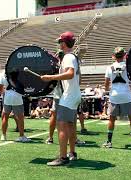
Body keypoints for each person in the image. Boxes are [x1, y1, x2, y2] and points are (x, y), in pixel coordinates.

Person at [42, 32, 81, 166]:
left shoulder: (68, 57)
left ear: (63, 44)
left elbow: (70, 74)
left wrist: (50, 77)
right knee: (70, 125)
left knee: (62, 125)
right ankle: (72, 153)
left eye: (60, 42)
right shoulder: (73, 56)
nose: (59, 44)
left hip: (69, 95)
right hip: (74, 94)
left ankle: (63, 157)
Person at [103, 47, 131, 149]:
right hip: (126, 95)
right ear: (124, 56)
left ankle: (109, 142)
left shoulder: (109, 67)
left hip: (114, 95)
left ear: (113, 56)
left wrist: (109, 90)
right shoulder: (128, 67)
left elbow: (106, 84)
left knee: (112, 119)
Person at [0, 72, 30, 142]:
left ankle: (3, 136)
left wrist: (6, 93)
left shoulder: (2, 74)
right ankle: (21, 136)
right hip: (17, 97)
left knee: (5, 117)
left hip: (7, 97)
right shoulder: (19, 73)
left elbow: (0, 88)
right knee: (20, 118)